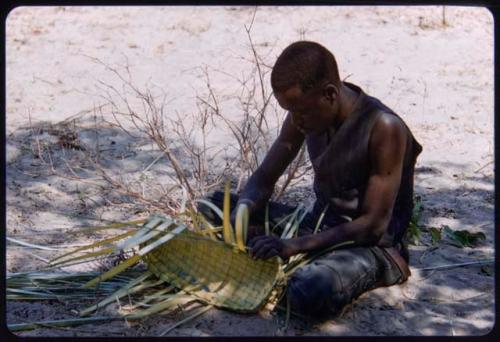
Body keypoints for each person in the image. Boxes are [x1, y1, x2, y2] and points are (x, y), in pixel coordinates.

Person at [199, 41, 422, 318]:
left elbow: (373, 226)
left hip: (368, 247)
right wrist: (243, 210)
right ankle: (294, 255)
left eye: (301, 112)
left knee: (307, 291)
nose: (295, 120)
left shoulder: (384, 128)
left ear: (329, 94)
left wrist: (292, 247)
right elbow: (266, 176)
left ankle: (318, 270)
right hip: (316, 227)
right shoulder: (305, 114)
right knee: (214, 206)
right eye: (289, 112)